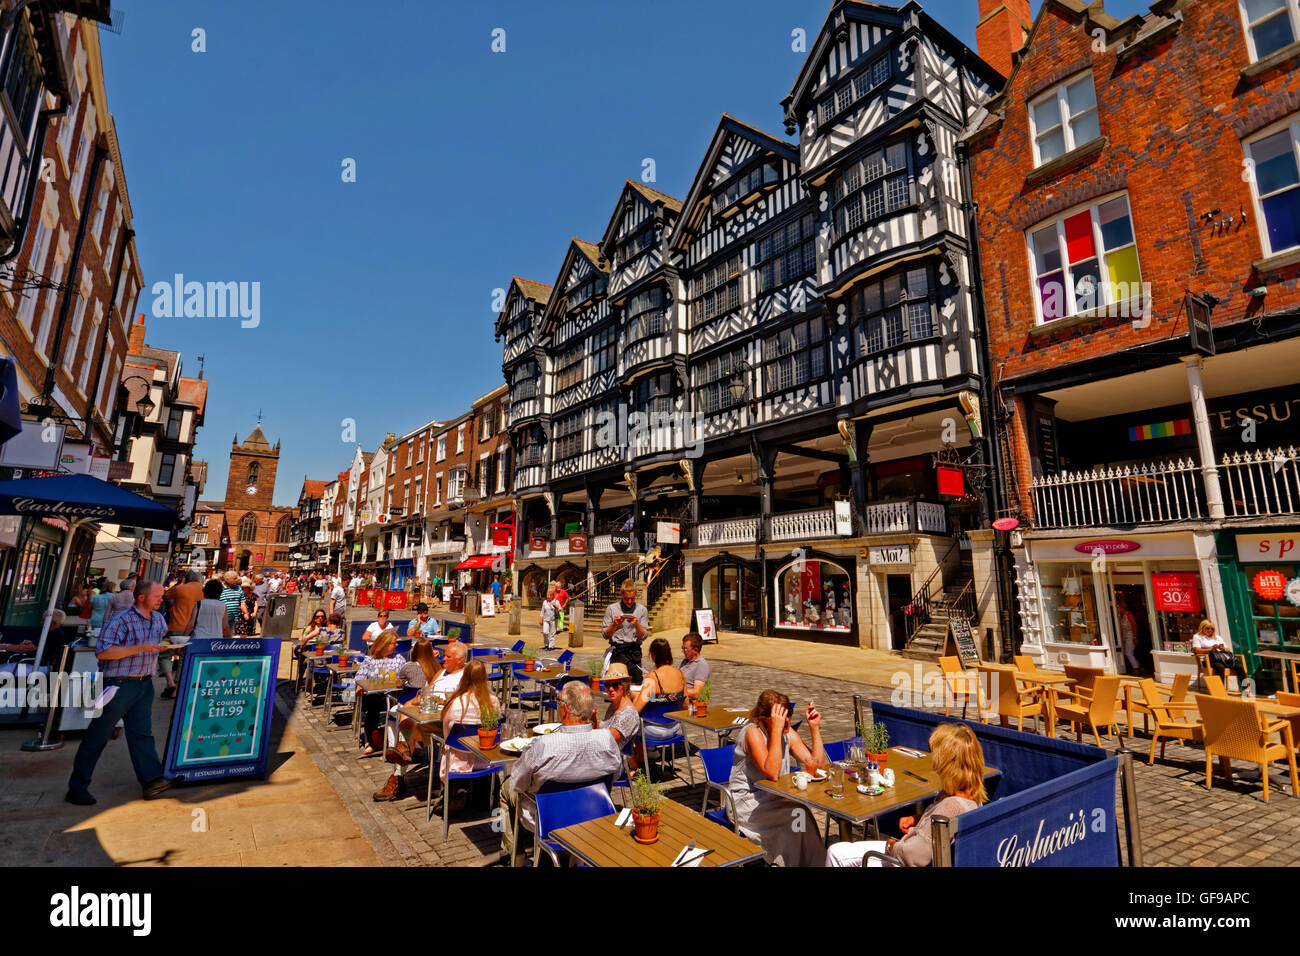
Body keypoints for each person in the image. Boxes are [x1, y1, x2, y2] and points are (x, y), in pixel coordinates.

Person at [66, 581, 175, 806]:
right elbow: (103, 652)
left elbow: (160, 641)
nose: (161, 599)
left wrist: (165, 646)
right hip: (117, 684)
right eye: (157, 596)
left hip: (144, 684)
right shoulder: (121, 620)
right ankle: (77, 788)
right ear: (142, 597)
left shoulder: (158, 619)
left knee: (142, 733)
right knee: (98, 736)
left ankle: (152, 780)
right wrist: (140, 647)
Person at [826, 723, 988, 866]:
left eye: (937, 759)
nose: (934, 765)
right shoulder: (971, 797)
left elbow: (914, 856)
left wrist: (890, 845)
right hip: (915, 848)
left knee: (836, 853)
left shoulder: (950, 806)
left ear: (948, 766)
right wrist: (918, 819)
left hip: (902, 859)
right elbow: (940, 828)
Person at [499, 681, 623, 865]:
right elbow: (616, 775)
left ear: (564, 708)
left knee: (506, 787)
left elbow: (518, 783)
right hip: (594, 814)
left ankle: (517, 858)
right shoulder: (607, 740)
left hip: (550, 820)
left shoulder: (542, 745)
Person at [727, 689, 827, 867]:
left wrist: (814, 728)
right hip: (747, 802)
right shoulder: (753, 732)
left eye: (788, 714)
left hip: (775, 799)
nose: (786, 720)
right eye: (781, 716)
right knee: (794, 820)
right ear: (765, 717)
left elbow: (817, 768)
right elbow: (772, 772)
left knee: (803, 816)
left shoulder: (787, 733)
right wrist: (776, 730)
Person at [435, 659, 501, 811]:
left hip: (458, 760)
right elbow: (495, 727)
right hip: (485, 758)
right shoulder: (494, 701)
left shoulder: (455, 702)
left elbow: (447, 733)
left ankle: (455, 794)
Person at [356, 631, 407, 754]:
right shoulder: (370, 660)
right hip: (375, 694)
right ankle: (370, 741)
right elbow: (360, 675)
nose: (396, 646)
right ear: (385, 645)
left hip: (394, 694)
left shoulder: (399, 659)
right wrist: (359, 685)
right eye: (394, 643)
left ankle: (398, 742)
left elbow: (406, 676)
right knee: (374, 700)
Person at [160, 571, 204, 699]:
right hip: (193, 629)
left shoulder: (180, 588)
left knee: (164, 654)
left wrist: (179, 583)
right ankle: (176, 688)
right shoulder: (204, 590)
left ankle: (170, 681)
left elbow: (165, 596)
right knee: (183, 659)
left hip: (175, 627)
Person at [634, 637, 685, 742]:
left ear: (653, 655)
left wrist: (631, 696)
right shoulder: (680, 674)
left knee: (627, 721)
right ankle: (650, 752)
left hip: (654, 730)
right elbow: (685, 704)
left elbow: (636, 710)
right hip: (675, 727)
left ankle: (636, 756)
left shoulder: (652, 677)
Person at [602, 578, 648, 681]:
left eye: (632, 598)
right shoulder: (612, 609)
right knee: (616, 684)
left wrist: (636, 625)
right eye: (627, 599)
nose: (630, 601)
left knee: (636, 686)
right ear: (622, 595)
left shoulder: (642, 610)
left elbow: (644, 636)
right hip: (617, 651)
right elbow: (605, 635)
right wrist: (614, 624)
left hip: (634, 653)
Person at [1193, 619, 1247, 686]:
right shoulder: (1198, 637)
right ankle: (1220, 689)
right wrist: (1211, 649)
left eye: (1212, 629)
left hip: (1222, 659)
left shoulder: (1218, 637)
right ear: (1202, 628)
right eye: (1207, 628)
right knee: (1220, 667)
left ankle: (1246, 689)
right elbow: (1197, 650)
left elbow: (1228, 649)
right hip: (1208, 660)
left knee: (1239, 666)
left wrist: (1223, 648)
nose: (1210, 630)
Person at [679, 631, 710, 700]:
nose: (682, 651)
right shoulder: (685, 661)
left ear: (695, 650)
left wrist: (675, 691)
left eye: (685, 649)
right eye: (682, 647)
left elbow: (697, 693)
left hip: (690, 707)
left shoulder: (701, 665)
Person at [1116, 593, 1141, 672]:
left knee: (1128, 653)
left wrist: (1135, 637)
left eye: (1118, 608)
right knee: (1127, 653)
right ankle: (1138, 666)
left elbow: (1134, 626)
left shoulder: (1128, 614)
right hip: (1125, 636)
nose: (1117, 610)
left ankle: (1136, 668)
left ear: (1121, 607)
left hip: (1130, 635)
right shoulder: (1121, 616)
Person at [539, 584, 560, 652]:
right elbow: (542, 611)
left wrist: (555, 606)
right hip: (546, 619)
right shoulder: (545, 602)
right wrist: (540, 618)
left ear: (552, 596)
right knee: (545, 632)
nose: (547, 597)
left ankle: (551, 646)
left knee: (552, 633)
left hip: (553, 619)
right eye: (547, 595)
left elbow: (560, 610)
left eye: (548, 596)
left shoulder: (556, 602)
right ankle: (546, 644)